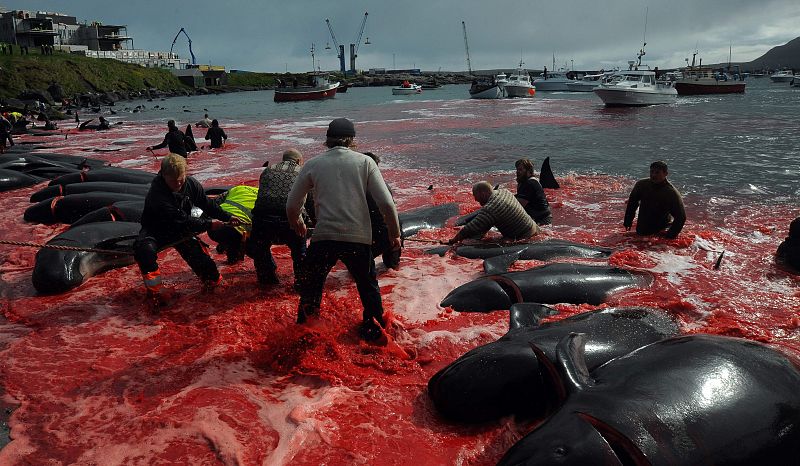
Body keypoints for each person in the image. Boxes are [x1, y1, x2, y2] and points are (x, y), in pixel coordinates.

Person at [286, 118, 401, 341]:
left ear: (328, 140)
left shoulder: (312, 164)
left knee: (312, 289)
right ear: (352, 140)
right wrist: (394, 233)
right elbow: (386, 203)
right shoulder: (365, 163)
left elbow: (292, 203)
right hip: (357, 238)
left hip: (324, 238)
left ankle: (305, 335)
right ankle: (374, 331)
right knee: (367, 287)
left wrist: (296, 222)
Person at [133, 154, 239, 308]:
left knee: (208, 269)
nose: (178, 184)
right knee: (144, 251)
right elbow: (182, 219)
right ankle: (155, 292)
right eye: (173, 181)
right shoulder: (157, 194)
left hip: (180, 230)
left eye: (181, 180)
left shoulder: (190, 184)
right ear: (163, 175)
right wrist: (210, 224)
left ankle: (211, 282)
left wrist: (227, 217)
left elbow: (207, 204)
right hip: (156, 229)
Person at [247, 149, 308, 287]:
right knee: (300, 252)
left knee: (261, 249)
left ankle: (267, 280)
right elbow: (308, 201)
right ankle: (301, 283)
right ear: (298, 161)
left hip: (262, 219)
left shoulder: (267, 171)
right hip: (289, 220)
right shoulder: (302, 172)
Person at [446, 182, 538, 245]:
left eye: (475, 195)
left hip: (525, 237)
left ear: (483, 193)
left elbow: (470, 228)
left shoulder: (491, 208)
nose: (475, 199)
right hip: (533, 228)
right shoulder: (504, 192)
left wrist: (453, 241)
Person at [623, 161, 686, 239]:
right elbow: (632, 203)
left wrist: (670, 236)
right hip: (642, 230)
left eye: (657, 173)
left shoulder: (671, 193)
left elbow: (681, 217)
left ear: (666, 174)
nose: (653, 175)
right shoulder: (641, 185)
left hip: (660, 232)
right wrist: (627, 222)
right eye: (652, 172)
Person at [363, 152, 400, 269]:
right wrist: (396, 235)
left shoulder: (355, 186)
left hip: (369, 236)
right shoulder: (383, 186)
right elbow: (390, 208)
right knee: (391, 268)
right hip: (387, 234)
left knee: (360, 270)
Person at [208, 185, 258, 264]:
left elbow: (212, 204)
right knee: (261, 257)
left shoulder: (238, 188)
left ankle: (224, 245)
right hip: (234, 231)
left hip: (213, 226)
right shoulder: (264, 198)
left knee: (228, 236)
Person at [514, 158, 552, 225]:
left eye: (520, 169)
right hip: (537, 218)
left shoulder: (530, 183)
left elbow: (519, 206)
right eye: (517, 169)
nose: (517, 172)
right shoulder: (525, 182)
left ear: (528, 171)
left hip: (542, 221)